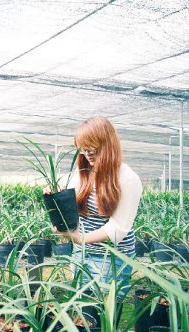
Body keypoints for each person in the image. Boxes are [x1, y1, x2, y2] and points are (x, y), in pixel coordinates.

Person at [54, 116, 142, 298]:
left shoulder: (127, 178)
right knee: (83, 312)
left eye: (92, 147)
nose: (87, 153)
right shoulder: (82, 173)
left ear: (108, 143)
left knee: (102, 314)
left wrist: (80, 238)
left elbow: (118, 229)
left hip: (111, 258)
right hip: (81, 254)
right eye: (83, 148)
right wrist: (55, 196)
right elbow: (70, 208)